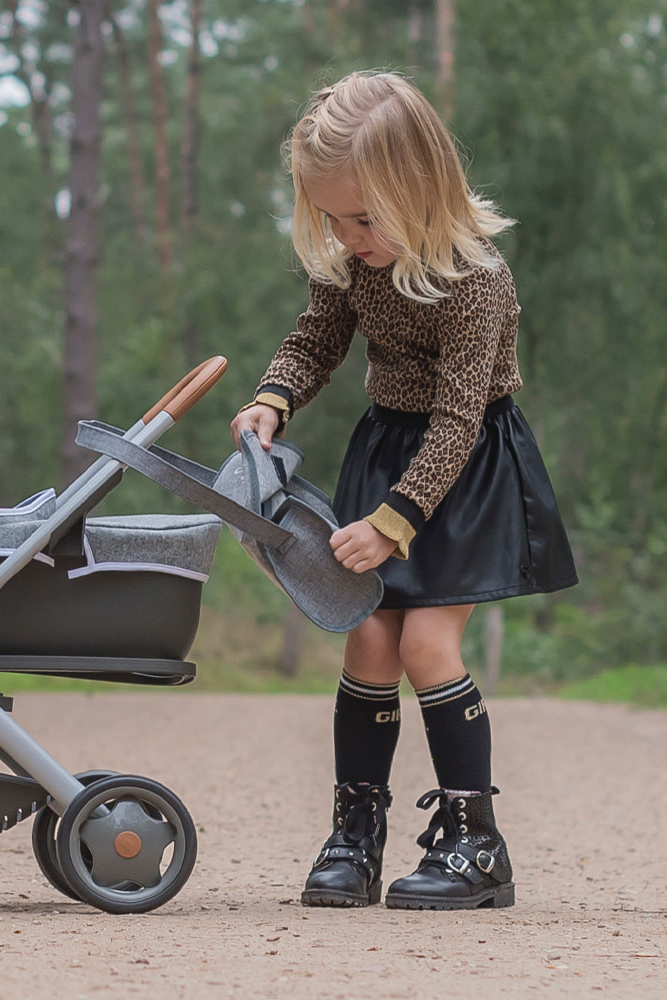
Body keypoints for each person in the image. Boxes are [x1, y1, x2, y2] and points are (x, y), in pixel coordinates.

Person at [230, 71, 577, 911]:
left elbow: (458, 421)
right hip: (387, 448)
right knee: (368, 644)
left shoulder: (475, 281)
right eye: (333, 220)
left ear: (421, 190)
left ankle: (474, 843)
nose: (349, 237)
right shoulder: (354, 264)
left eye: (363, 218)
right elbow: (316, 340)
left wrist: (393, 524)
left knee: (425, 643)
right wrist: (273, 396)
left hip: (464, 468)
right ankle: (357, 833)